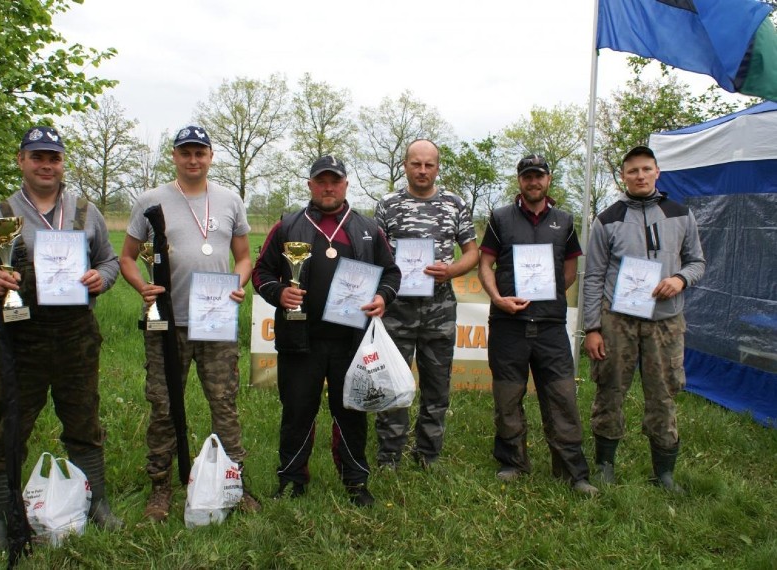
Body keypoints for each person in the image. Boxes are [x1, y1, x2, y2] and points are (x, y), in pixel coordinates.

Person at [0, 126, 122, 551]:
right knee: (7, 429)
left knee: (84, 422)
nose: (46, 165)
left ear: (63, 162)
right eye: (37, 157)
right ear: (21, 160)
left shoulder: (86, 212)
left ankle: (96, 504)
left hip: (76, 339)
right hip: (19, 342)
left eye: (54, 157)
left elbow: (109, 262)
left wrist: (100, 278)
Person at [120, 125, 259, 521]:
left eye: (200, 152)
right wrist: (141, 287)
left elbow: (244, 256)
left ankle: (234, 481)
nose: (193, 160)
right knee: (163, 405)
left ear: (211, 156)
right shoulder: (151, 201)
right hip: (167, 322)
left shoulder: (230, 201)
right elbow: (127, 257)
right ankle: (160, 486)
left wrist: (239, 281)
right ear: (175, 157)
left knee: (224, 404)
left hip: (215, 322)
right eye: (186, 153)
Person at [253, 155, 401, 507]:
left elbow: (392, 273)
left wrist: (383, 297)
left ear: (346, 184)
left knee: (351, 412)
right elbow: (262, 272)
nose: (328, 187)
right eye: (321, 180)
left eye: (335, 180)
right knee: (297, 412)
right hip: (300, 341)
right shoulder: (288, 226)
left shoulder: (366, 227)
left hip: (350, 342)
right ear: (310, 185)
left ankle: (355, 482)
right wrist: (279, 292)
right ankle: (291, 480)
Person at [584, 145, 705, 494]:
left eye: (646, 169)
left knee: (663, 392)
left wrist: (680, 279)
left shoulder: (680, 215)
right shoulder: (608, 219)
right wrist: (592, 328)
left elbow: (697, 261)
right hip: (618, 320)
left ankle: (664, 471)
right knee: (609, 389)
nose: (639, 176)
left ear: (657, 173)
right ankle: (605, 463)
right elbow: (593, 276)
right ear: (623, 176)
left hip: (665, 322)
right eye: (632, 170)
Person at [478, 154, 598, 495]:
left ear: (548, 179)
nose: (534, 182)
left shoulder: (565, 220)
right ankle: (513, 462)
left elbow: (570, 269)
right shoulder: (500, 218)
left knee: (562, 397)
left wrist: (550, 295)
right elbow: (485, 264)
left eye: (539, 176)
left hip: (549, 326)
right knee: (507, 397)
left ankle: (572, 471)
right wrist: (498, 298)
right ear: (519, 180)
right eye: (527, 176)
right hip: (507, 323)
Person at [374, 139, 479, 469]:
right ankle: (389, 455)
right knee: (392, 382)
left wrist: (450, 271)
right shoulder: (388, 205)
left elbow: (473, 252)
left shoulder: (455, 204)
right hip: (396, 311)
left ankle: (428, 454)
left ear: (437, 167)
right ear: (404, 165)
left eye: (428, 164)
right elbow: (374, 254)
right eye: (415, 164)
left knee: (437, 385)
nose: (422, 170)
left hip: (440, 311)